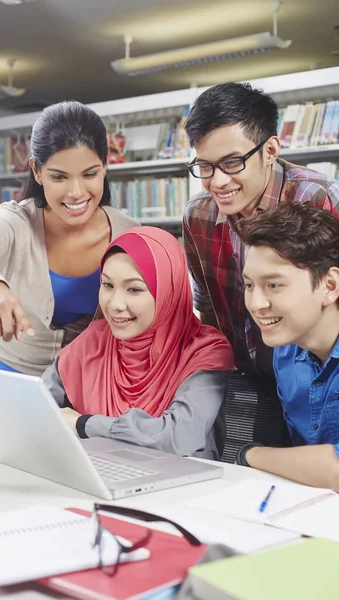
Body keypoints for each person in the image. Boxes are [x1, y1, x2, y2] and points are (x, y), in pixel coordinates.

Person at [0, 101, 137, 376]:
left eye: (90, 174)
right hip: (14, 381)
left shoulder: (130, 233)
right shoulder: (15, 221)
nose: (76, 192)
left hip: (96, 386)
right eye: (59, 177)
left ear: (105, 167)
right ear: (37, 171)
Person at [183, 81, 339, 378]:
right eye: (205, 166)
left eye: (232, 162)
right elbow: (208, 309)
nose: (217, 182)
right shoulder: (198, 215)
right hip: (244, 377)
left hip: (318, 380)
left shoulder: (321, 199)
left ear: (270, 150)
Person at [43, 226, 234, 459]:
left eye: (134, 289)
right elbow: (37, 404)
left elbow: (179, 437)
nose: (115, 304)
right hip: (100, 475)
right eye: (108, 285)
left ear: (168, 290)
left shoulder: (206, 349)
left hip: (181, 487)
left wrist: (85, 424)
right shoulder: (94, 340)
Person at [235, 202, 339, 491]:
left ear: (330, 286)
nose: (256, 305)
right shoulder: (285, 352)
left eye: (274, 285)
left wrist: (250, 454)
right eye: (250, 285)